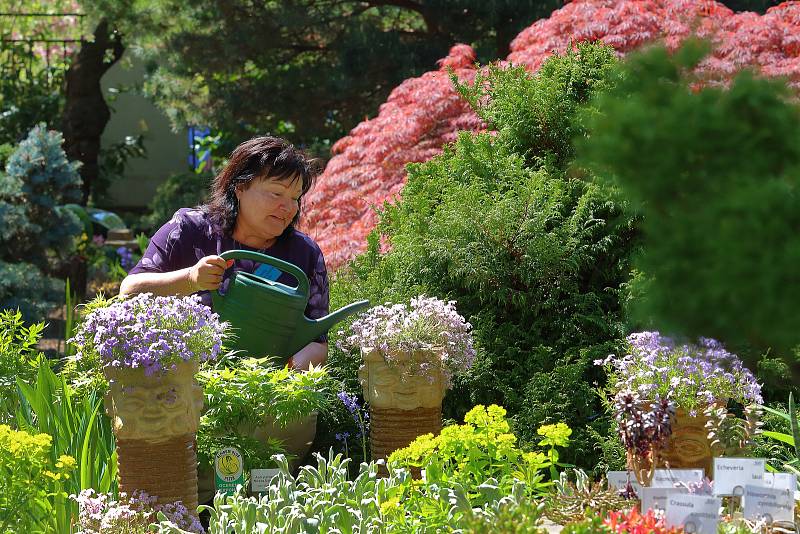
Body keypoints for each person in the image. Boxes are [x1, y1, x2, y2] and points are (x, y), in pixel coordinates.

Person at [120, 136, 328, 370]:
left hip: (267, 394)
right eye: (276, 193)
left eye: (295, 198)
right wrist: (190, 279)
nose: (289, 207)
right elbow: (129, 292)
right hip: (181, 385)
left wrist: (280, 378)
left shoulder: (305, 253)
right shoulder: (188, 229)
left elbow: (317, 341)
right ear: (240, 187)